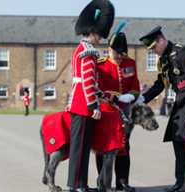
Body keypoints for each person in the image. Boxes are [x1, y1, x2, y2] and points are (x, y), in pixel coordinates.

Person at [138, 26, 185, 192]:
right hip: (179, 104)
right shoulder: (164, 60)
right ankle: (180, 182)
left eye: (154, 47)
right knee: (178, 143)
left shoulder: (183, 53)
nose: (153, 51)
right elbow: (160, 84)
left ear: (161, 39)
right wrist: (143, 98)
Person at [65, 1, 115, 192]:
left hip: (80, 101)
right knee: (79, 148)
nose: (100, 39)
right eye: (100, 35)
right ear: (93, 32)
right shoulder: (88, 51)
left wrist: (102, 95)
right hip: (83, 104)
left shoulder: (82, 49)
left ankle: (80, 184)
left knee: (83, 147)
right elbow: (87, 80)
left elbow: (90, 81)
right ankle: (75, 185)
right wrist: (94, 105)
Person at [94, 31, 140, 192]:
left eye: (122, 53)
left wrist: (130, 96)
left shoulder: (130, 63)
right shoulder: (100, 65)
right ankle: (102, 182)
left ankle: (123, 182)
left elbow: (135, 88)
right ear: (109, 49)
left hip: (124, 113)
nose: (119, 57)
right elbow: (96, 88)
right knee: (103, 147)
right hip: (106, 112)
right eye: (116, 53)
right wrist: (113, 97)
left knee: (124, 146)